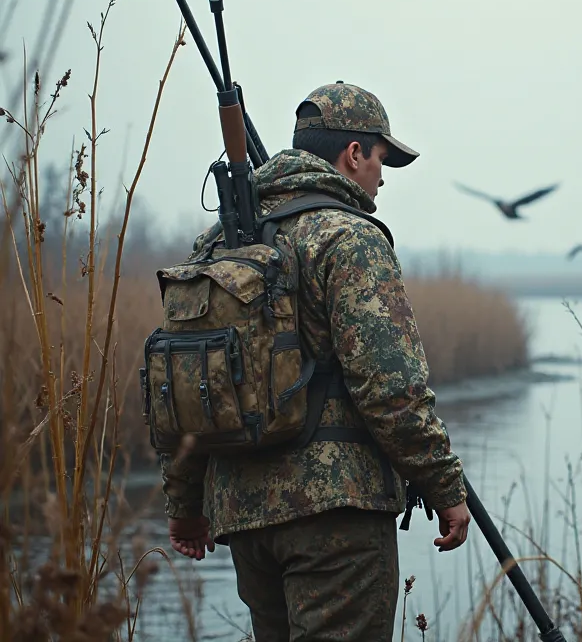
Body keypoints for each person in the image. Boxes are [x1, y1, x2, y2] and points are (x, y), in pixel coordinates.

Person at [158, 81, 472, 641]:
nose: (381, 177)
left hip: (245, 520)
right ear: (354, 154)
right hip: (335, 518)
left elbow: (187, 387)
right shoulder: (350, 238)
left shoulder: (217, 243)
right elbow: (391, 391)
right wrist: (446, 487)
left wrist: (185, 502)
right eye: (381, 160)